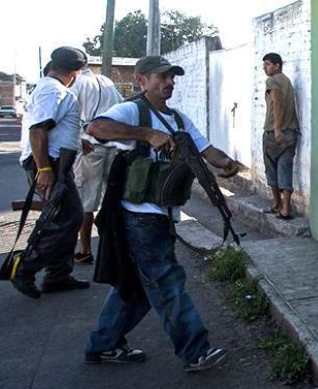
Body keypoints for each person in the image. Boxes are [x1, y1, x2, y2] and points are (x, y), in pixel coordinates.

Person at [83, 56, 239, 371]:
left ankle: (103, 345)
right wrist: (145, 134)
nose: (168, 82)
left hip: (163, 215)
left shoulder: (179, 119)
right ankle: (195, 351)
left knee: (137, 286)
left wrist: (228, 164)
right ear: (141, 80)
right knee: (167, 281)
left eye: (171, 77)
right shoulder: (132, 110)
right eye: (161, 77)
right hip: (138, 216)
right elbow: (96, 128)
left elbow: (207, 151)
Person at [12, 46, 91, 299]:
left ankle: (58, 276)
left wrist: (79, 141)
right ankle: (24, 268)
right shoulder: (53, 89)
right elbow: (38, 130)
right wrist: (44, 168)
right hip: (51, 164)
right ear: (76, 72)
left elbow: (54, 128)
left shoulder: (50, 87)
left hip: (57, 162)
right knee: (68, 217)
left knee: (64, 217)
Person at [70, 68, 125, 265]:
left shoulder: (77, 84)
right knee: (115, 197)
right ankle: (116, 246)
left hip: (90, 146)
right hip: (115, 145)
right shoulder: (107, 82)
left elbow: (70, 115)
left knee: (87, 200)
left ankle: (84, 249)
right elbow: (123, 107)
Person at [261, 52, 299, 219]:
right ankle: (286, 208)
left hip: (274, 132)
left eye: (268, 64)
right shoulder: (287, 81)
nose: (265, 67)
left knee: (271, 168)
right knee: (285, 168)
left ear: (277, 65)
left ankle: (277, 204)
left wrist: (276, 129)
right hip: (292, 131)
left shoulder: (272, 81)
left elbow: (277, 103)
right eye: (264, 65)